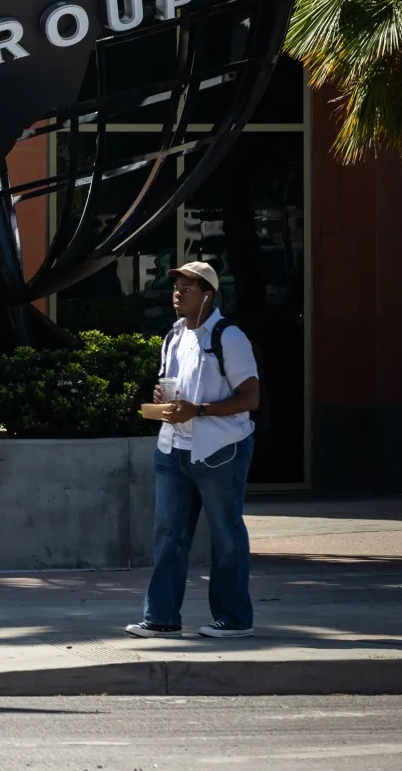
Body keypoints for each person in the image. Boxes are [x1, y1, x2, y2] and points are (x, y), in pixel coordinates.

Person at [127, 261, 261, 640]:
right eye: (177, 286)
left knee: (226, 535)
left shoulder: (229, 337)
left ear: (208, 295)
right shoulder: (173, 336)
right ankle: (162, 618)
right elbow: (174, 386)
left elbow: (250, 398)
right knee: (169, 535)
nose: (178, 292)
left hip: (220, 450)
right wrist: (161, 399)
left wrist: (199, 410)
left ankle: (234, 619)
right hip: (173, 449)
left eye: (188, 287)